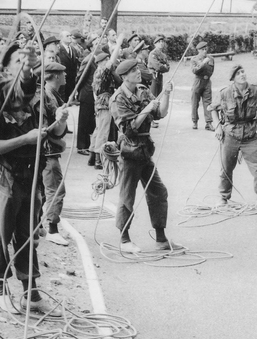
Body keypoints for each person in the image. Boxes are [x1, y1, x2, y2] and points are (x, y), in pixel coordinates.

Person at [0, 42, 62, 317]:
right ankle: (0, 291)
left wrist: (58, 124)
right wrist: (25, 139)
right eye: (19, 63)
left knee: (27, 235)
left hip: (32, 174)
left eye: (28, 63)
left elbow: (56, 133)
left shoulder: (38, 96)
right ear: (6, 68)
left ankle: (31, 292)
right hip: (6, 173)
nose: (26, 68)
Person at [109, 59, 180, 253]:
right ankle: (124, 240)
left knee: (158, 191)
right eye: (133, 71)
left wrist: (165, 94)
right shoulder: (118, 99)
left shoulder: (142, 90)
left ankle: (161, 239)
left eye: (137, 69)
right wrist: (146, 109)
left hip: (145, 151)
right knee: (127, 198)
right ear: (124, 77)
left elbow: (160, 113)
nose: (138, 72)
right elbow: (129, 129)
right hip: (130, 152)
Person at [209, 64, 257, 208]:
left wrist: (255, 123)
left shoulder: (256, 91)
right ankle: (223, 198)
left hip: (250, 135)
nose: (242, 75)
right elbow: (212, 109)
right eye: (238, 73)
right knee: (226, 168)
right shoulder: (225, 93)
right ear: (233, 78)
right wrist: (218, 127)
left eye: (243, 72)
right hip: (230, 133)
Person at [36, 62, 70, 246]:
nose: (65, 76)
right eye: (63, 73)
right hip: (48, 151)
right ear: (56, 76)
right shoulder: (47, 96)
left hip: (48, 150)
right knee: (56, 190)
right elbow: (46, 129)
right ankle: (52, 229)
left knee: (42, 190)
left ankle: (38, 225)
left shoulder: (51, 94)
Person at [90, 34, 124, 169]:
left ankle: (93, 155)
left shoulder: (97, 72)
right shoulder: (102, 71)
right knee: (103, 130)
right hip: (105, 102)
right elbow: (112, 62)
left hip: (99, 102)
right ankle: (99, 159)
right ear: (100, 62)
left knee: (98, 129)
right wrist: (119, 44)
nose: (108, 61)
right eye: (106, 59)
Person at [75, 44, 98, 159]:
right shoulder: (88, 60)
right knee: (83, 122)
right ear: (92, 47)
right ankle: (81, 146)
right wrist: (78, 91)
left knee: (90, 121)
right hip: (86, 94)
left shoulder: (96, 58)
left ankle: (87, 144)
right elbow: (80, 78)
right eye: (96, 42)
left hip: (92, 95)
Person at [190, 41, 215, 131]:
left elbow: (211, 70)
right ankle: (195, 121)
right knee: (195, 102)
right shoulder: (194, 59)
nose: (205, 51)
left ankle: (209, 123)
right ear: (198, 50)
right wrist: (203, 63)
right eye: (202, 49)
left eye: (205, 49)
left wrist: (207, 76)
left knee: (208, 103)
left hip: (207, 82)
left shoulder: (211, 58)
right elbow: (195, 71)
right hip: (198, 82)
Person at [147, 36, 170, 127]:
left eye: (162, 41)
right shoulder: (153, 54)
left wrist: (163, 66)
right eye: (159, 42)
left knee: (158, 97)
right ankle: (150, 120)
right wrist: (163, 66)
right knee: (152, 98)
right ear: (155, 44)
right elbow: (157, 66)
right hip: (153, 76)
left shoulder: (163, 55)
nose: (161, 43)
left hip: (159, 77)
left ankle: (153, 117)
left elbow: (167, 67)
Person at [56, 30, 79, 102]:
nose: (70, 37)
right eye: (67, 36)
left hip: (72, 80)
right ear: (61, 38)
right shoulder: (58, 50)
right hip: (63, 79)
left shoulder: (74, 50)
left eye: (70, 35)